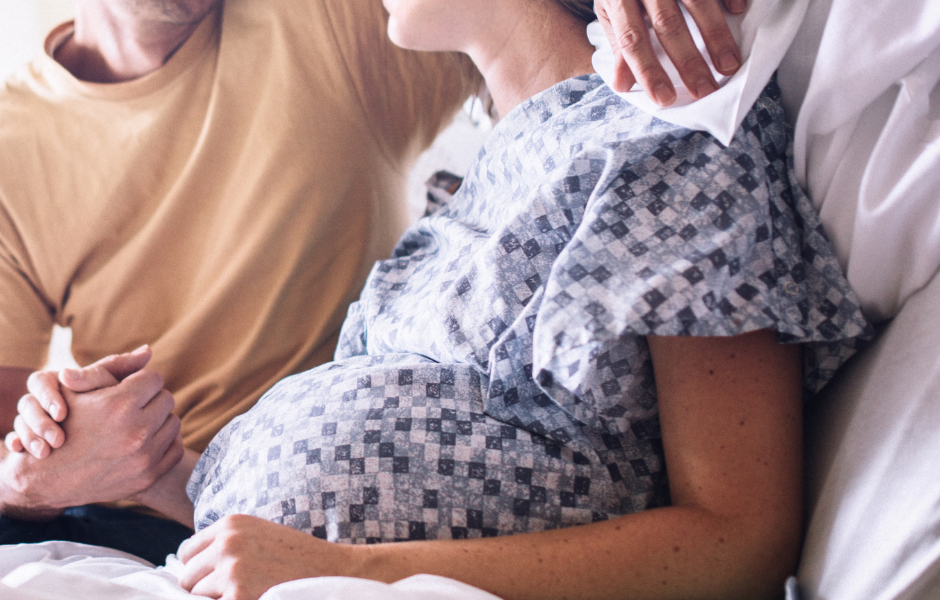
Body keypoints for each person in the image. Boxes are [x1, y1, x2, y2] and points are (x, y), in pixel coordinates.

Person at [11, 0, 871, 598]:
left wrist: (352, 574)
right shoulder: (500, 174)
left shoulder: (662, 140)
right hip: (201, 533)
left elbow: (742, 539)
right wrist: (129, 471)